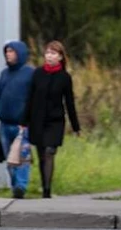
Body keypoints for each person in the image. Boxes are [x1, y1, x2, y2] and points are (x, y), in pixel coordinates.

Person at [22, 41, 80, 199]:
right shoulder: (38, 73)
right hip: (37, 119)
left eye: (53, 53)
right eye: (47, 53)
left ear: (60, 57)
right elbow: (30, 97)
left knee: (49, 151)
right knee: (41, 154)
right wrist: (24, 120)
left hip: (55, 121)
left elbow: (69, 102)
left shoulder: (64, 77)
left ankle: (47, 190)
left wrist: (75, 126)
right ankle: (43, 184)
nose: (49, 56)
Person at [0, 40, 34, 199]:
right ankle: (14, 186)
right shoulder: (4, 73)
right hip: (5, 124)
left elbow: (33, 97)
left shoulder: (29, 73)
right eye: (7, 51)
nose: (8, 54)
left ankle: (21, 185)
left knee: (22, 158)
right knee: (10, 160)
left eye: (11, 51)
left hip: (22, 125)